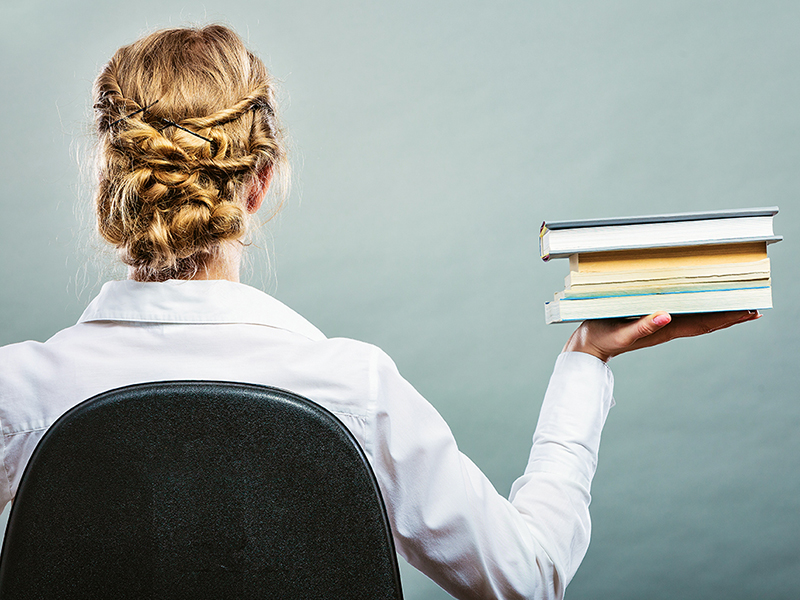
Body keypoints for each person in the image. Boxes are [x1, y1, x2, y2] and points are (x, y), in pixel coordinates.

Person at [0, 24, 758, 600]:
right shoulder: (354, 387)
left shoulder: (19, 390)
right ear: (259, 185)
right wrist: (587, 363)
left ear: (112, 182)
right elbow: (527, 577)